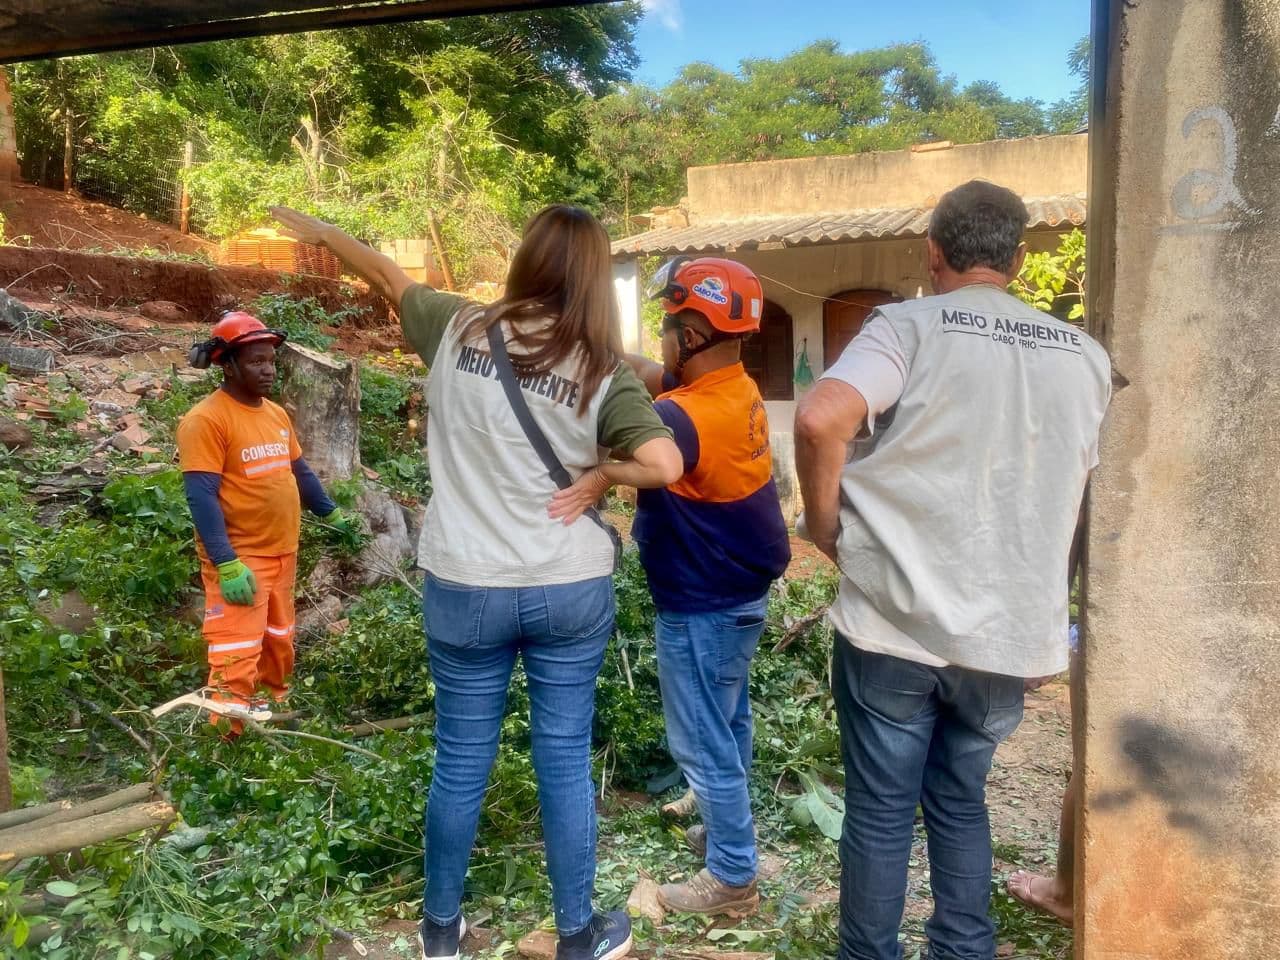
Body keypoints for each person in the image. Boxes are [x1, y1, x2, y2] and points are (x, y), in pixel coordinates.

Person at [271, 204, 682, 960]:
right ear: (594, 279)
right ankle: (577, 932)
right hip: (566, 586)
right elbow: (664, 464)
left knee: (460, 760)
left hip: (464, 583)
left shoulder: (458, 327)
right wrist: (600, 477)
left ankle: (440, 932)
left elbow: (386, 276)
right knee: (563, 758)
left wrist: (326, 235)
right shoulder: (600, 368)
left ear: (527, 260)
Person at [793, 180, 1110, 960]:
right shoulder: (1084, 358)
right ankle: (964, 950)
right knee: (962, 801)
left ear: (932, 253)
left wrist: (825, 526)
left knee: (880, 813)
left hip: (890, 627)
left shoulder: (907, 327)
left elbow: (821, 416)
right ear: (1019, 259)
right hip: (1002, 636)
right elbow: (1075, 496)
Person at [552, 257, 791, 918]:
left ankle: (733, 877)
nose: (657, 340)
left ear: (689, 338)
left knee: (701, 741)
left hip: (702, 602)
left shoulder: (679, 419)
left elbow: (645, 448)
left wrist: (601, 474)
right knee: (728, 722)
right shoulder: (734, 387)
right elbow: (648, 375)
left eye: (665, 328)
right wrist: (597, 346)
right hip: (741, 595)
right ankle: (725, 831)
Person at [177, 311, 355, 731]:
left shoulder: (275, 414)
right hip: (242, 558)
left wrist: (331, 512)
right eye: (256, 361)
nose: (268, 370)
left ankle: (271, 717)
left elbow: (300, 472)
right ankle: (226, 738)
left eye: (271, 361)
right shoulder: (206, 420)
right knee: (236, 650)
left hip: (282, 553)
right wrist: (225, 562)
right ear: (228, 364)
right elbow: (200, 497)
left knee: (279, 640)